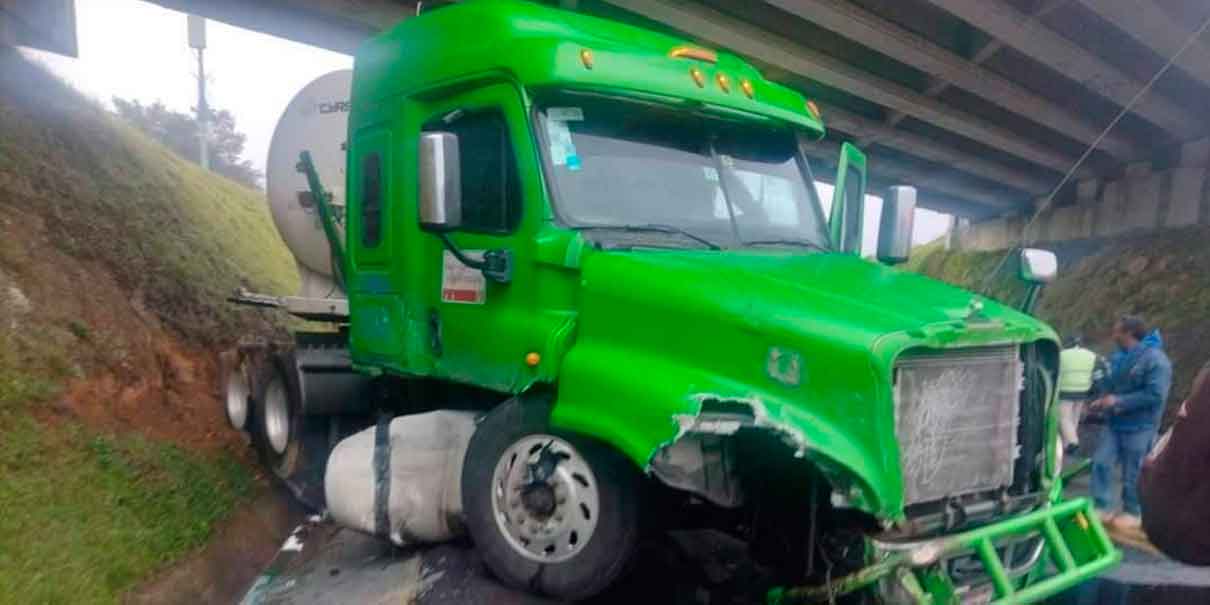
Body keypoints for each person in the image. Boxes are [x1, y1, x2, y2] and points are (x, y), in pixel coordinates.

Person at [1089, 315, 1171, 532]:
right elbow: (1112, 387)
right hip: (1115, 422)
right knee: (1101, 463)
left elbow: (1155, 395)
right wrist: (1103, 400)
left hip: (1140, 426)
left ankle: (1133, 512)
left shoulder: (1156, 360)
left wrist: (1119, 401)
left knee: (1133, 472)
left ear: (1128, 333)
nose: (1113, 335)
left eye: (1117, 331)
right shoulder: (1119, 357)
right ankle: (1102, 506)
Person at [1058, 336, 1100, 455]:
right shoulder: (1091, 355)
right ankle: (1067, 445)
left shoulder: (1062, 354)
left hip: (1066, 390)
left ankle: (1073, 442)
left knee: (1064, 418)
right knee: (1074, 417)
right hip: (1083, 390)